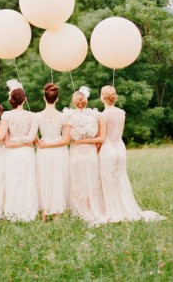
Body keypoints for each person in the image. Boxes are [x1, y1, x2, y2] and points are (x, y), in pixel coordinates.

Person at [98, 85, 165, 222]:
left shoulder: (102, 115)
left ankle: (112, 209)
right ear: (115, 97)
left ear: (102, 97)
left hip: (107, 149)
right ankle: (126, 207)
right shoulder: (121, 113)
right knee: (120, 177)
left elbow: (103, 137)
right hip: (120, 148)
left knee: (107, 178)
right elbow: (119, 133)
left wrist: (96, 150)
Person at [64, 86, 106, 224]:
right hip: (90, 153)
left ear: (74, 101)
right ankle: (93, 207)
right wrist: (89, 142)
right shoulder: (95, 115)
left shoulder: (69, 116)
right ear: (86, 101)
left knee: (77, 181)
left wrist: (80, 140)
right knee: (92, 181)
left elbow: (68, 138)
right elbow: (100, 138)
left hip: (76, 154)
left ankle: (80, 209)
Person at [2, 80, 38, 222]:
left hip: (12, 153)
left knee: (14, 180)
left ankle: (12, 211)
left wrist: (14, 141)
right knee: (26, 181)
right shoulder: (32, 116)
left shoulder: (6, 115)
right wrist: (23, 141)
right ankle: (26, 211)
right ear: (25, 100)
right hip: (27, 153)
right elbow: (30, 138)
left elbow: (7, 142)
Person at [36, 83, 70, 221]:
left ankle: (45, 212)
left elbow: (33, 135)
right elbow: (66, 140)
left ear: (44, 98)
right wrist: (51, 144)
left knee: (44, 178)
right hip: (59, 151)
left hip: (43, 150)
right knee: (57, 179)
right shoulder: (64, 117)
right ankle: (56, 213)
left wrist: (42, 144)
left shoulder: (36, 116)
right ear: (57, 99)